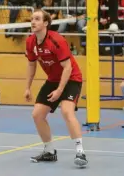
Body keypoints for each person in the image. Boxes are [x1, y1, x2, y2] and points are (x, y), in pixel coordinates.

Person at [25, 9, 88, 167]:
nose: (33, 21)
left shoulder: (57, 40)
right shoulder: (30, 42)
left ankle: (81, 152)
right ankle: (49, 151)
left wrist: (60, 90)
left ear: (45, 23)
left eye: (37, 19)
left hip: (71, 78)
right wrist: (27, 87)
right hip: (53, 80)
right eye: (32, 19)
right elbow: (31, 64)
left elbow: (67, 68)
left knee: (67, 111)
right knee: (37, 115)